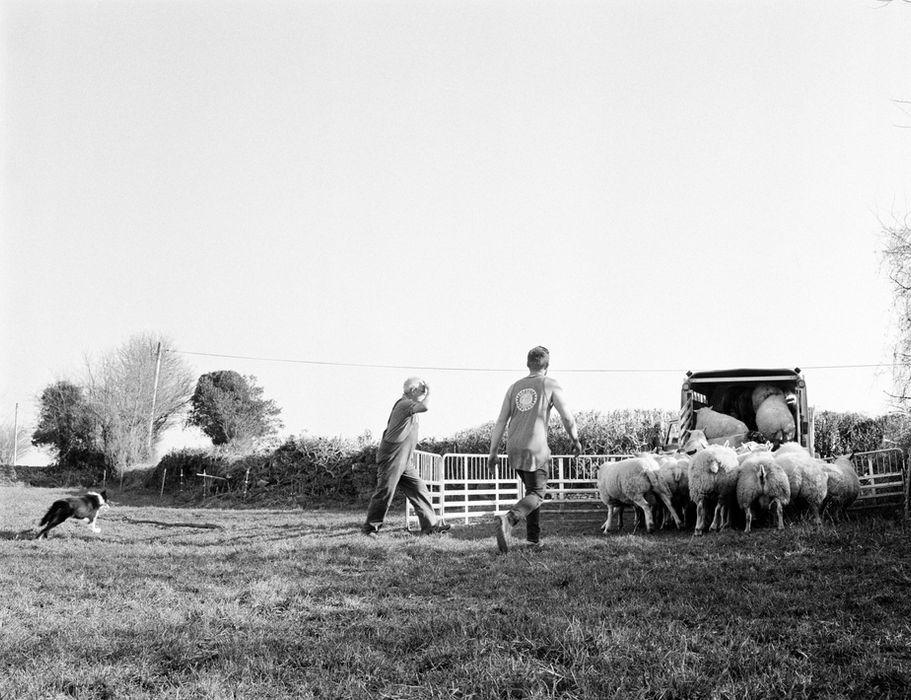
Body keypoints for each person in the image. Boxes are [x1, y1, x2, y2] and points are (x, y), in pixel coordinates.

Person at [486, 346, 581, 553]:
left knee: (531, 493)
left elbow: (501, 421)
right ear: (546, 366)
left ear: (528, 364)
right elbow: (567, 416)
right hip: (535, 447)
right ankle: (509, 520)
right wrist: (575, 439)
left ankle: (533, 540)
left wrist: (493, 452)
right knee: (537, 494)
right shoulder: (549, 383)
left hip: (514, 447)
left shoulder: (514, 387)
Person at [362, 377, 451, 536]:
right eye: (421, 391)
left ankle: (430, 527)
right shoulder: (404, 404)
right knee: (385, 492)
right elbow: (425, 407)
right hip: (392, 457)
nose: (423, 394)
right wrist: (430, 391)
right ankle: (370, 529)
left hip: (404, 459)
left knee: (419, 489)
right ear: (413, 391)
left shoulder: (410, 406)